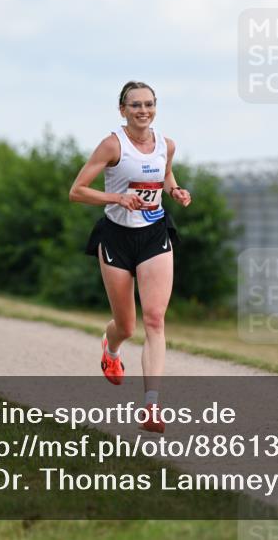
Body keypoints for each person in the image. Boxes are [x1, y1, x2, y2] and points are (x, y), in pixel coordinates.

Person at [69, 81, 191, 433]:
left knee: (154, 320)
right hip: (117, 238)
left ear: (156, 107)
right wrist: (117, 199)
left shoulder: (166, 145)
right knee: (126, 325)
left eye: (148, 104)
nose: (143, 110)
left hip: (154, 235)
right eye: (135, 105)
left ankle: (151, 406)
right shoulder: (112, 144)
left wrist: (175, 190)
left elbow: (165, 174)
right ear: (122, 109)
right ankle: (111, 347)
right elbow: (77, 191)